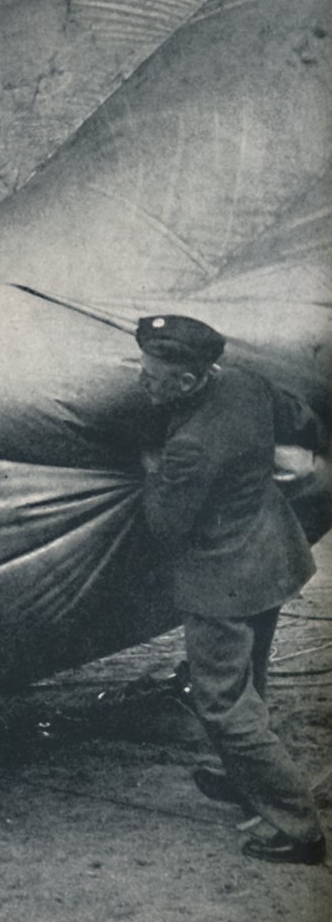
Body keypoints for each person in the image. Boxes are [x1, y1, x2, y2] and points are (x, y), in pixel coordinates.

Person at [135, 314, 327, 866]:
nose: (143, 383)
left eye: (153, 376)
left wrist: (153, 468)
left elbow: (164, 525)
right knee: (250, 682)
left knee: (221, 701)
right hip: (271, 557)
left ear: (190, 382)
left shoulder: (190, 445)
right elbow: (300, 417)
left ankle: (298, 827)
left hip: (223, 579)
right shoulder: (243, 381)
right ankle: (248, 781)